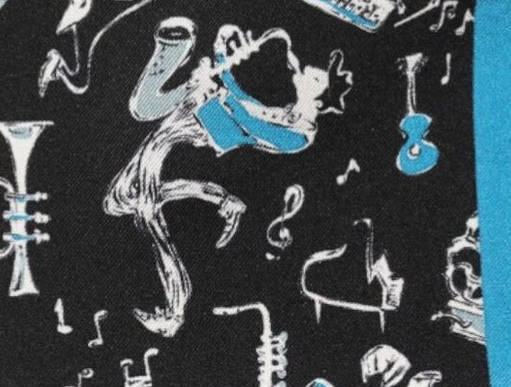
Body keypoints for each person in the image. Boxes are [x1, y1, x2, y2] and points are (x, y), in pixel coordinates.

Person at [106, 20, 348, 334]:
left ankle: (173, 313)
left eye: (314, 78)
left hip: (202, 126)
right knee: (122, 197)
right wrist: (220, 53)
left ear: (322, 99)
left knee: (143, 206)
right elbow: (240, 95)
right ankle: (218, 198)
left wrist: (214, 91)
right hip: (198, 116)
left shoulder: (299, 136)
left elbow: (250, 124)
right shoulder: (289, 111)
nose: (301, 72)